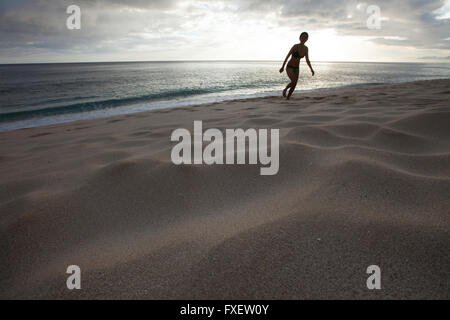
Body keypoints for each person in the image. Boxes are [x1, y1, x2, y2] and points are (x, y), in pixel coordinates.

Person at [279, 32, 315, 100]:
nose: (304, 38)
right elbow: (287, 56)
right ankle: (285, 89)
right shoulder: (295, 46)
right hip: (289, 67)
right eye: (302, 37)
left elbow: (307, 60)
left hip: (297, 68)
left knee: (294, 84)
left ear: (307, 39)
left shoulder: (306, 48)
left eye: (305, 37)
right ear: (300, 38)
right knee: (294, 81)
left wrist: (311, 69)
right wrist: (282, 66)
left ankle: (288, 98)